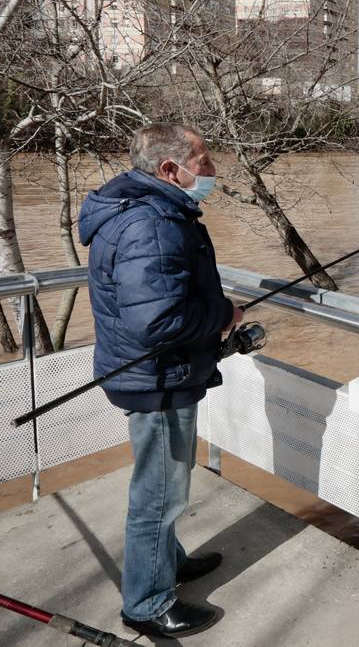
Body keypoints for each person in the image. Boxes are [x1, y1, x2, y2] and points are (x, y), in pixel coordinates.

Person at [77, 123, 241, 639]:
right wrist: (223, 314)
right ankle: (147, 604)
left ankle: (166, 563)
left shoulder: (138, 207)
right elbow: (157, 321)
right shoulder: (152, 222)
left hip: (152, 373)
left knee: (161, 483)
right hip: (158, 377)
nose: (212, 170)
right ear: (170, 170)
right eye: (205, 160)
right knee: (160, 494)